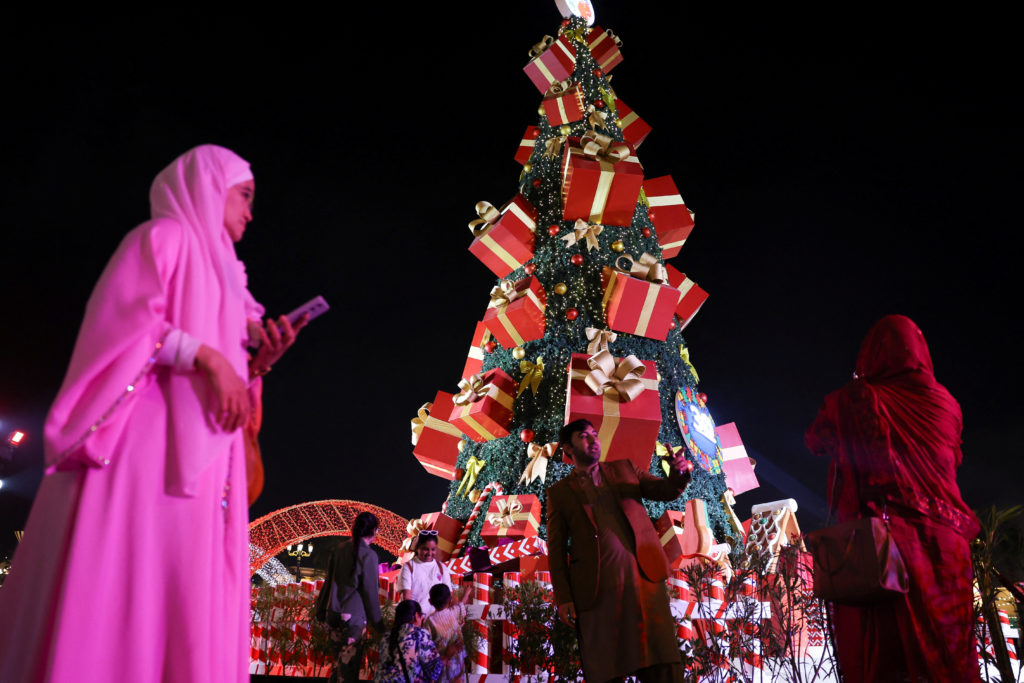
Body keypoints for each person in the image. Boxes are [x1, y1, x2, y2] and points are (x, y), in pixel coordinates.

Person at [0, 145, 305, 682]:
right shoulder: (161, 239)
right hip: (148, 447)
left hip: (207, 461)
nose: (251, 212)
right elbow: (122, 331)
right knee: (130, 577)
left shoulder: (231, 278)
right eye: (245, 195)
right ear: (209, 188)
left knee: (184, 590)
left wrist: (258, 361)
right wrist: (207, 355)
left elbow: (232, 368)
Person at [806, 314, 982, 682]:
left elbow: (815, 440)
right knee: (951, 662)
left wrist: (858, 390)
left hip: (888, 550)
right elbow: (954, 458)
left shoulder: (856, 398)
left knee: (888, 662)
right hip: (949, 550)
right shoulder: (948, 403)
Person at [546, 418, 693, 683]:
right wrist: (564, 597)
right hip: (597, 592)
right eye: (584, 436)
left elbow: (664, 490)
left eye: (594, 434)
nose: (594, 440)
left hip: (643, 584)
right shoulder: (559, 494)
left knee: (662, 665)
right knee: (606, 669)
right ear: (568, 449)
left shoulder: (625, 469)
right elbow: (555, 550)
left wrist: (677, 473)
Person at [314, 511, 387, 683]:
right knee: (348, 668)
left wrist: (320, 609)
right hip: (353, 618)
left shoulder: (338, 550)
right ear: (373, 531)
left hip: (332, 613)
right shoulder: (369, 555)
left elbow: (328, 582)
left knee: (339, 664)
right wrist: (379, 624)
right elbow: (370, 593)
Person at [374, 599, 443, 683]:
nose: (422, 619)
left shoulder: (386, 636)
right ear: (416, 615)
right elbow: (434, 667)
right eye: (421, 615)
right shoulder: (419, 634)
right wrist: (446, 655)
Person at [398, 531, 455, 617]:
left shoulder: (441, 568)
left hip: (437, 621)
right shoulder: (408, 567)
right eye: (425, 549)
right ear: (417, 548)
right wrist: (416, 619)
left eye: (433, 549)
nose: (429, 553)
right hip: (415, 619)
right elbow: (406, 597)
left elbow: (449, 595)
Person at [424, 583, 471, 682]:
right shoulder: (453, 612)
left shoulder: (429, 621)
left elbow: (426, 646)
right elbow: (461, 605)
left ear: (430, 601)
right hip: (458, 662)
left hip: (441, 663)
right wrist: (467, 593)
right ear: (450, 600)